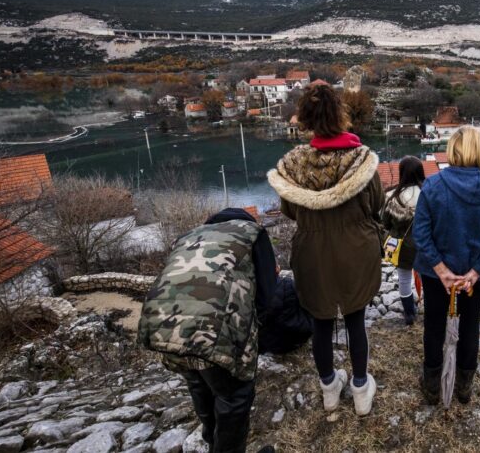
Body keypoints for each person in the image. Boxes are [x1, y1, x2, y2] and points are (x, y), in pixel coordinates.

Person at [267, 83, 383, 416]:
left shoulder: (293, 165)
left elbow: (290, 210)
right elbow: (375, 204)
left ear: (305, 119)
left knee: (319, 322)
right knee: (355, 320)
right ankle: (361, 389)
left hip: (312, 252)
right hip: (356, 250)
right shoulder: (361, 161)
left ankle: (330, 389)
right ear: (340, 115)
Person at [138, 208, 276, 453]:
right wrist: (253, 335)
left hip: (160, 325)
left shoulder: (188, 236)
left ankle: (213, 442)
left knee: (199, 382)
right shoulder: (253, 232)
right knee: (234, 397)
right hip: (211, 328)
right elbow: (267, 293)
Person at [413, 125, 480, 405]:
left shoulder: (433, 184)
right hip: (474, 279)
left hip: (434, 275)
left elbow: (421, 233)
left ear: (452, 149)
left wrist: (441, 270)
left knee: (433, 325)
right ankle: (464, 388)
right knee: (470, 326)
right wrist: (475, 272)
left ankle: (432, 387)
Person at [381, 156, 426, 325]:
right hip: (424, 246)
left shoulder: (391, 197)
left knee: (404, 279)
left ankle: (409, 314)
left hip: (402, 248)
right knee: (427, 279)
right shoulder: (428, 194)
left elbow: (384, 223)